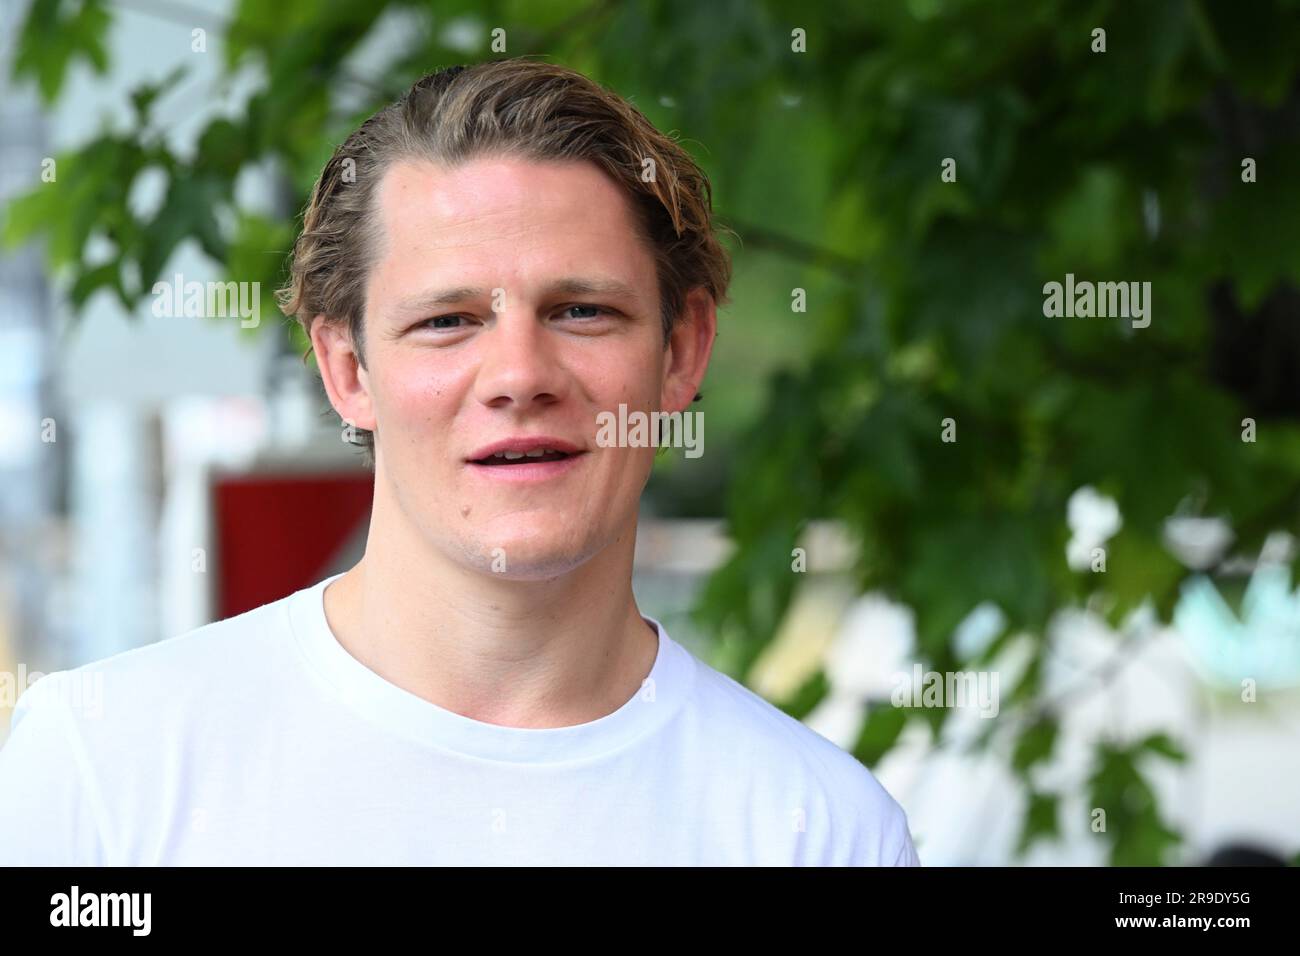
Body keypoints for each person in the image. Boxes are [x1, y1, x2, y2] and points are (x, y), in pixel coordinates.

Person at [0, 58, 919, 866]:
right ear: (347, 368)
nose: (520, 375)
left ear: (682, 351)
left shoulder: (818, 832)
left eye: (582, 311)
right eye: (447, 321)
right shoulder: (100, 764)